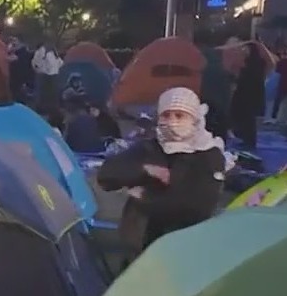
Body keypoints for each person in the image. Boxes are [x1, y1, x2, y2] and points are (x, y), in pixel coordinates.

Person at [97, 87, 226, 259]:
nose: (172, 122)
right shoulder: (151, 147)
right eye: (166, 115)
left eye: (179, 116)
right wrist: (145, 170)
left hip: (183, 250)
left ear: (194, 119)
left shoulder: (209, 155)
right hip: (138, 249)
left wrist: (145, 199)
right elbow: (107, 175)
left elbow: (198, 206)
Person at [230, 42, 267, 149]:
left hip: (248, 93)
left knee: (248, 118)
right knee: (246, 118)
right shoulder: (258, 62)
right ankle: (247, 139)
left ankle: (249, 140)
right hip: (250, 93)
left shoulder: (252, 63)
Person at [32, 43, 63, 109]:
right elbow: (60, 63)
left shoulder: (42, 51)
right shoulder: (53, 52)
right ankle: (52, 107)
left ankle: (41, 107)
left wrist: (39, 69)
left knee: (42, 92)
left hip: (44, 74)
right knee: (52, 93)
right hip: (52, 74)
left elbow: (36, 63)